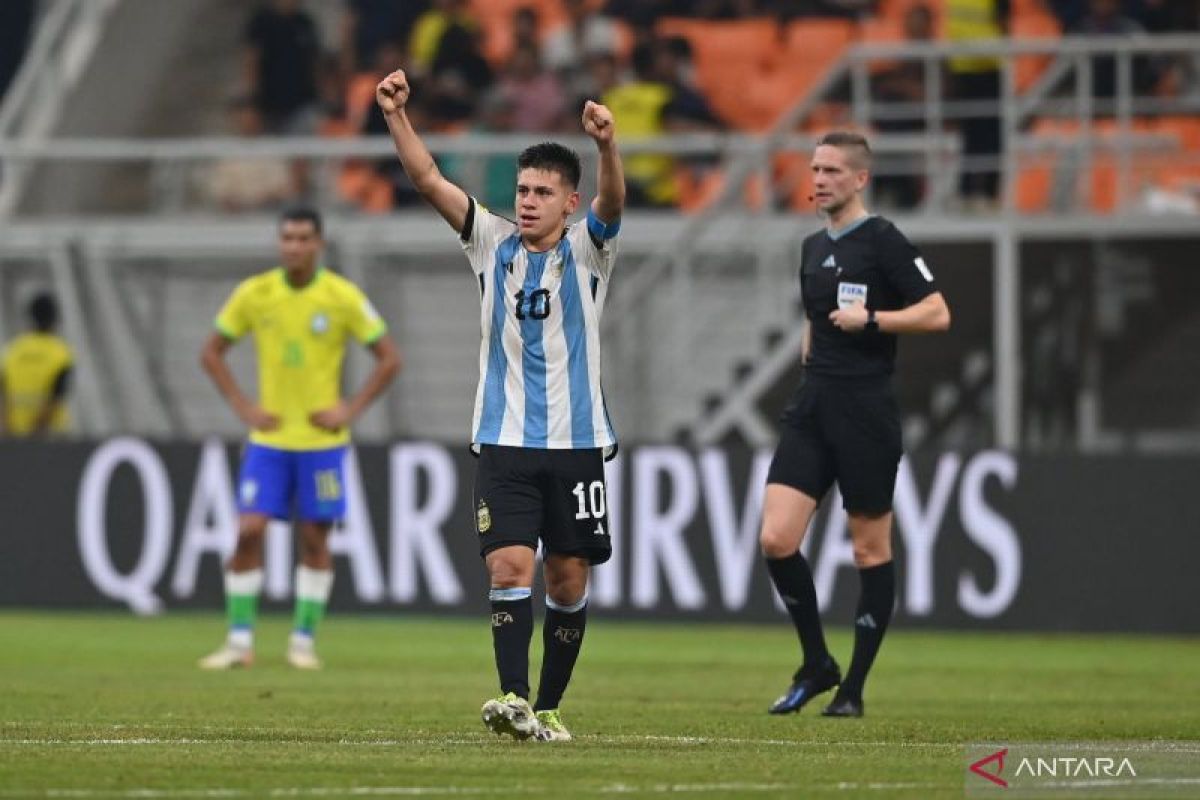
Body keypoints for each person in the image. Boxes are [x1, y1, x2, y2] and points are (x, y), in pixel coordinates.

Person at [375, 66, 625, 742]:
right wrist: (398, 115)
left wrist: (606, 146)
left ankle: (548, 708)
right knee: (508, 566)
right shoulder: (490, 244)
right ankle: (513, 698)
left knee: (568, 581)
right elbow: (429, 180)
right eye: (522, 190)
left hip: (576, 443)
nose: (530, 202)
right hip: (505, 441)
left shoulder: (588, 250)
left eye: (544, 192)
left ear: (570, 202)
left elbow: (615, 203)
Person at [759, 132, 950, 718]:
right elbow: (816, 320)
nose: (818, 179)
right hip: (813, 405)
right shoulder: (812, 246)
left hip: (865, 412)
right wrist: (811, 356)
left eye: (832, 171)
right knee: (776, 539)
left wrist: (872, 319)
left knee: (869, 551)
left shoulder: (884, 240)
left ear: (860, 179)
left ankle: (853, 689)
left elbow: (937, 312)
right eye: (815, 169)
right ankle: (817, 662)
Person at [197, 208, 401, 670]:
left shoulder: (342, 297)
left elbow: (389, 358)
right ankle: (239, 641)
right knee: (249, 531)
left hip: (322, 444)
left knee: (314, 540)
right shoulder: (255, 294)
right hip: (269, 440)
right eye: (286, 238)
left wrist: (350, 407)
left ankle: (303, 641)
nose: (293, 246)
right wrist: (243, 406)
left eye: (302, 238)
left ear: (318, 244)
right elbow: (211, 352)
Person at [0, 293, 73, 437]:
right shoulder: (62, 354)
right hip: (50, 437)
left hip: (13, 435)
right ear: (55, 319)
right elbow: (55, 399)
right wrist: (35, 435)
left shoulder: (12, 350)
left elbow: (2, 395)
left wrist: (7, 431)